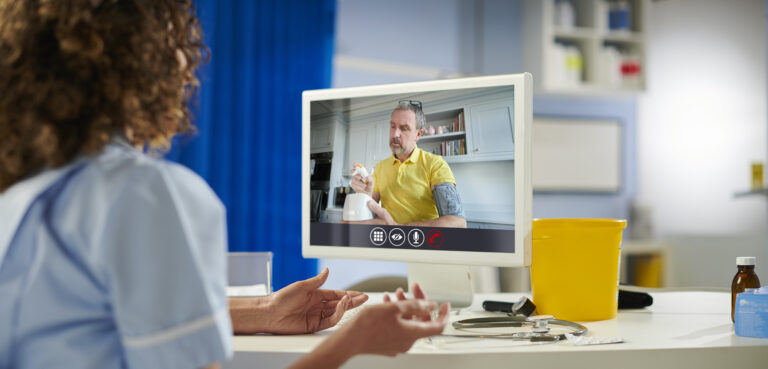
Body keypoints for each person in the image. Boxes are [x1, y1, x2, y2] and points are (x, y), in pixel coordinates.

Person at [0, 1, 449, 369]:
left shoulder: (19, 196)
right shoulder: (144, 195)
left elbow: (93, 322)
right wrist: (355, 342)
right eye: (178, 40)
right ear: (144, 58)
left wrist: (264, 313)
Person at [349, 101, 467, 228]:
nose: (394, 134)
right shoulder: (379, 167)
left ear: (418, 134)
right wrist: (365, 196)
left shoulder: (435, 164)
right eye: (393, 126)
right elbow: (371, 211)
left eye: (404, 128)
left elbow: (458, 223)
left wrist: (399, 228)